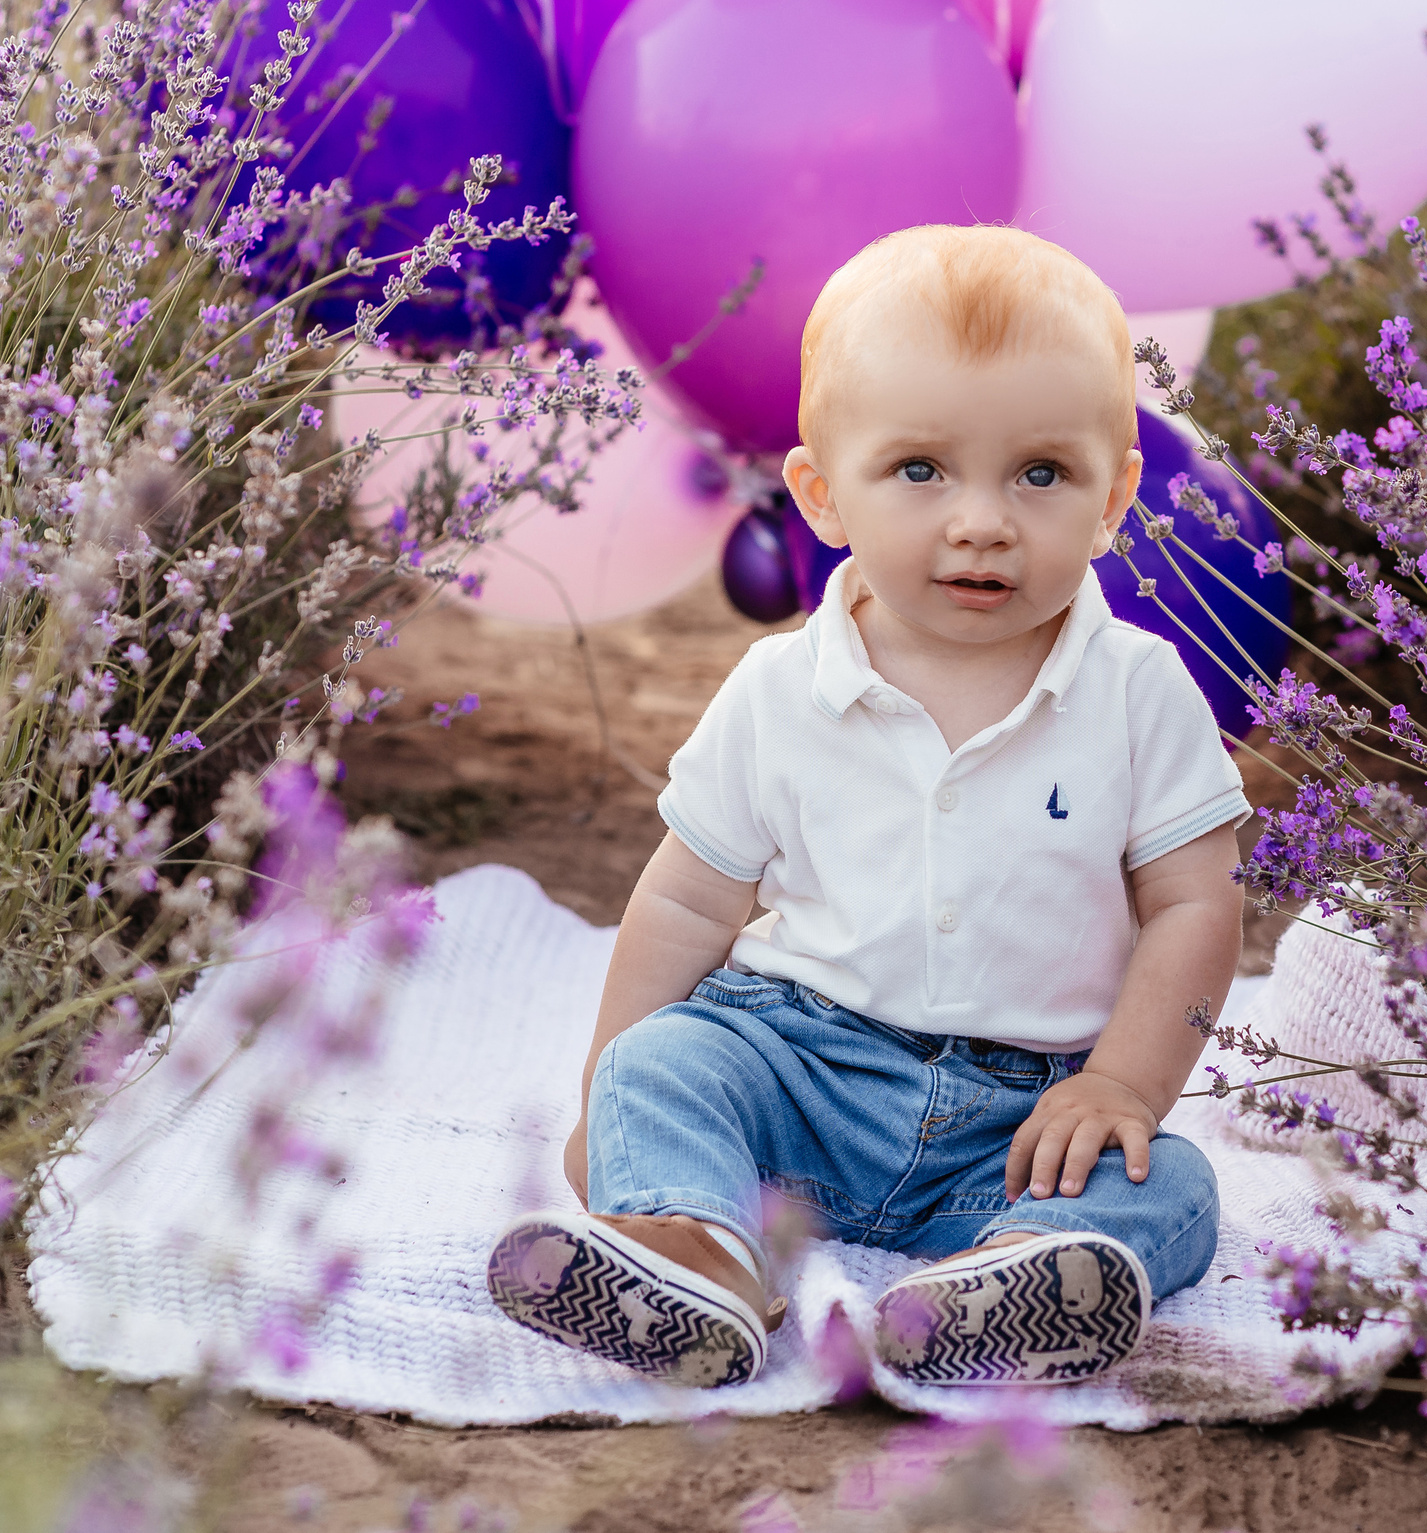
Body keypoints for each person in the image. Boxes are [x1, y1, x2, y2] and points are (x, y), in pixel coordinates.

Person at [484, 224, 1246, 1389]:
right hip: (797, 1069)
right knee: (662, 1067)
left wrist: (1120, 1085)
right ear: (823, 492)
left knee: (1171, 1182)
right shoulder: (780, 688)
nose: (981, 519)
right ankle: (695, 1246)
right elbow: (688, 901)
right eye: (921, 470)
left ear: (1114, 497)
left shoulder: (1138, 688)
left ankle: (1009, 1279)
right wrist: (606, 1099)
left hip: (1019, 1121)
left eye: (1040, 474)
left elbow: (1196, 902)